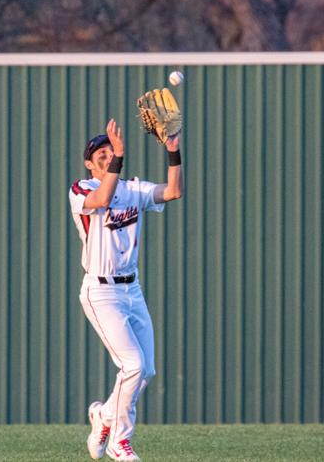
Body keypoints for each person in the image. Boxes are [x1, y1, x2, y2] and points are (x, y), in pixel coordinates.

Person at [69, 118, 183, 461]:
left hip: (132, 290)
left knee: (145, 370)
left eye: (109, 151)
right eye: (99, 154)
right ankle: (120, 440)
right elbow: (103, 196)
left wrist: (173, 151)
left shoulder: (133, 189)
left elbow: (173, 191)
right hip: (100, 292)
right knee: (131, 364)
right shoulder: (81, 187)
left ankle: (103, 416)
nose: (105, 156)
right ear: (90, 163)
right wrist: (118, 155)